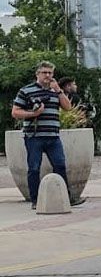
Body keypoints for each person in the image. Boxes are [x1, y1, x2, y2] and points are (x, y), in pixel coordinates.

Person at [10, 61, 80, 209]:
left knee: (60, 165)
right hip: (34, 136)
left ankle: (66, 198)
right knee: (34, 168)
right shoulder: (26, 91)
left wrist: (59, 90)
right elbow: (15, 112)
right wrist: (33, 114)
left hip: (53, 136)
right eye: (44, 73)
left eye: (50, 73)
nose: (47, 75)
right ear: (37, 74)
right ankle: (36, 201)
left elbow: (68, 107)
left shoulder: (56, 91)